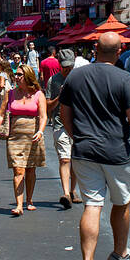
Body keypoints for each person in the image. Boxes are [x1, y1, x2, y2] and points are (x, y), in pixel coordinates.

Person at [60, 32, 130, 260]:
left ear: (95, 48)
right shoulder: (124, 78)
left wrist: (78, 136)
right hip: (116, 152)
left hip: (85, 151)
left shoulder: (75, 76)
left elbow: (65, 114)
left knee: (92, 206)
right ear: (120, 51)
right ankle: (119, 254)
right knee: (122, 203)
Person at [0, 64, 48, 215]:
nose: (16, 77)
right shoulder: (10, 94)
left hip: (33, 135)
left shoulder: (38, 95)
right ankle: (19, 205)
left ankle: (29, 200)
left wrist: (41, 131)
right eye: (16, 74)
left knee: (30, 169)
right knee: (18, 170)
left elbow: (43, 116)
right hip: (15, 137)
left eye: (19, 75)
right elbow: (1, 114)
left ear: (28, 77)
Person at [44, 48, 82, 208]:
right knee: (65, 159)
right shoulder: (53, 81)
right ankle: (66, 193)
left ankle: (73, 191)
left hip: (78, 125)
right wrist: (60, 96)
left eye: (70, 67)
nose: (67, 70)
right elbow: (48, 106)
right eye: (65, 67)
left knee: (75, 161)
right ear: (59, 65)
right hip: (60, 125)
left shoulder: (81, 79)